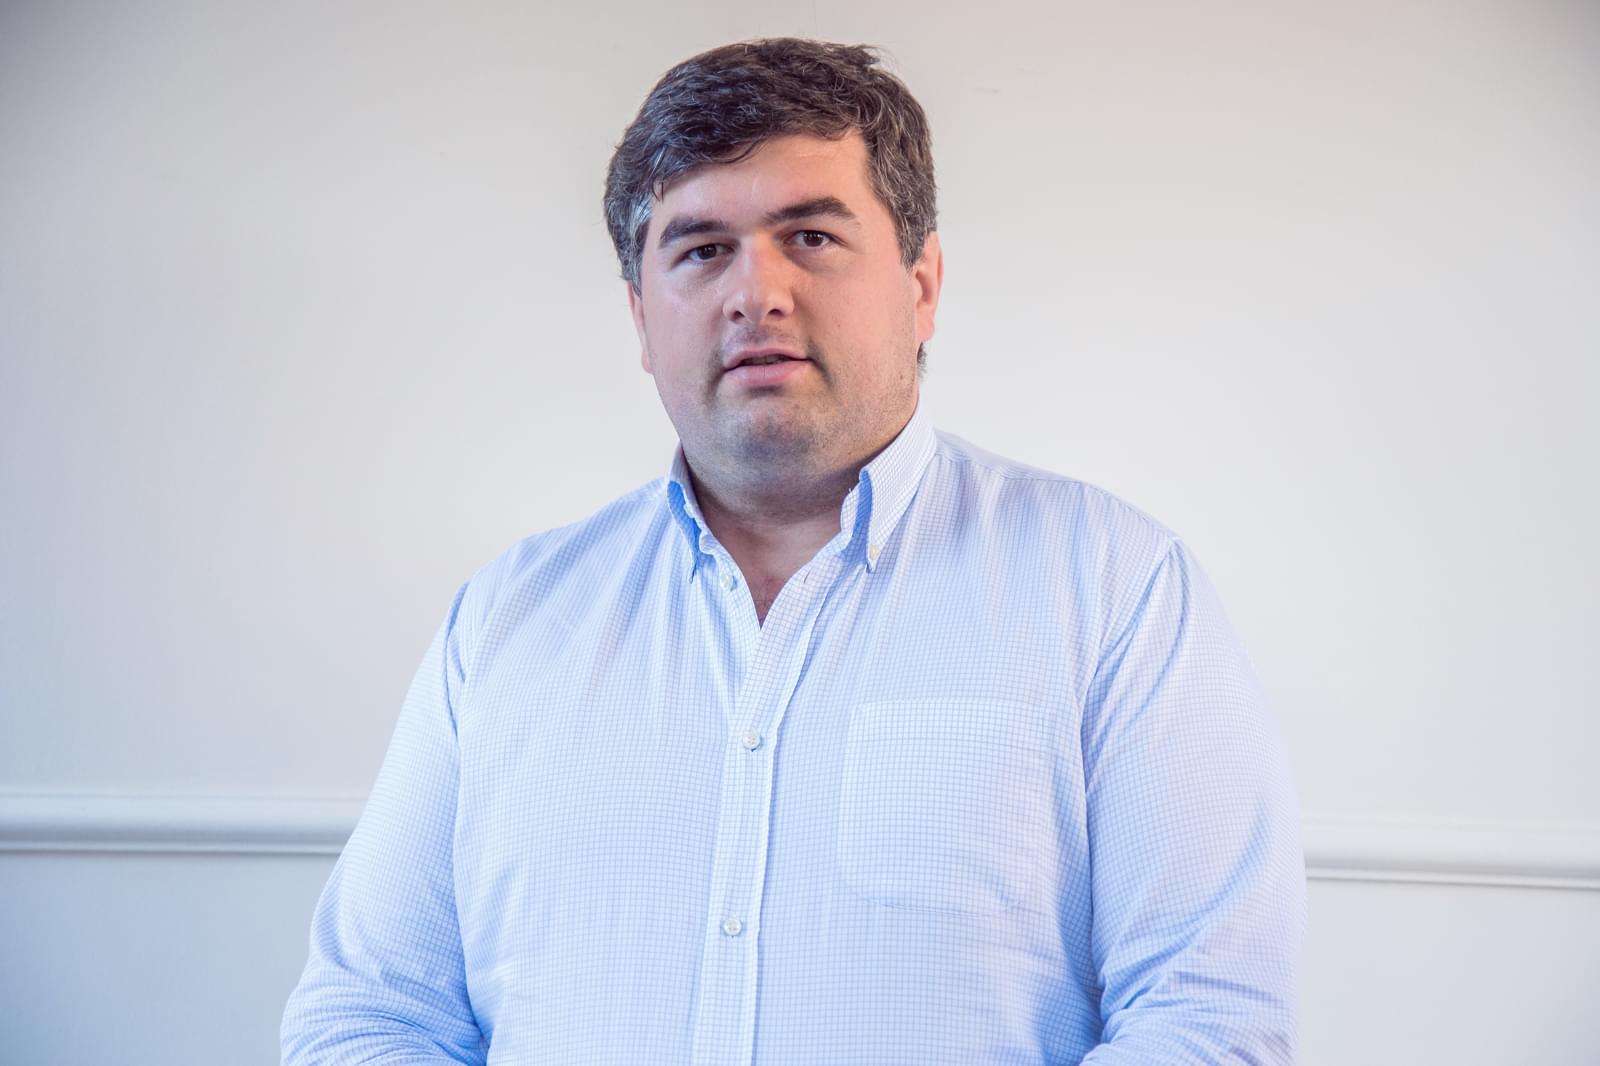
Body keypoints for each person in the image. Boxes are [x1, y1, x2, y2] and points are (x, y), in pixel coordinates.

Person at [282, 37, 1304, 1065]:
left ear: (922, 284)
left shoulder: (1114, 588)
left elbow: (1206, 1019)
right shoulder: (507, 618)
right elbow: (369, 1016)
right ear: (641, 318)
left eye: (810, 236)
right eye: (700, 250)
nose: (754, 294)